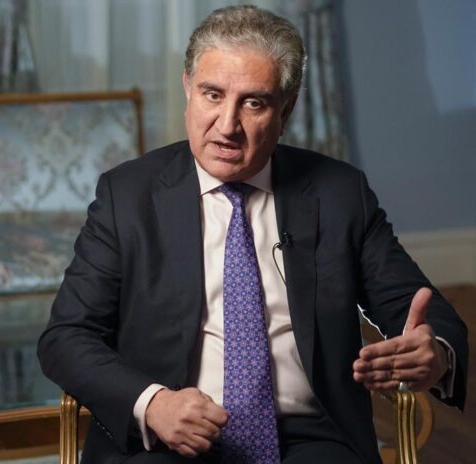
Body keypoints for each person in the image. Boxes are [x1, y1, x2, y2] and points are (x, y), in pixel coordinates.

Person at [37, 5, 467, 464]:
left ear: (286, 110)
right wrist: (154, 403)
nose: (227, 126)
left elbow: (420, 310)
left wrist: (435, 353)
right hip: (166, 437)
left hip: (309, 437)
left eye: (253, 103)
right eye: (212, 95)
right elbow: (66, 337)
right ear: (187, 88)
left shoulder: (339, 193)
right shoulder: (127, 195)